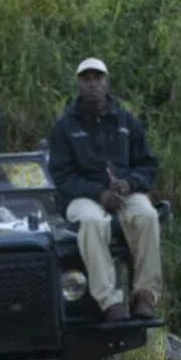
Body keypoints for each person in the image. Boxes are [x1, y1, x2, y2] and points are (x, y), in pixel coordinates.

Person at [46, 57, 163, 321]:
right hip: (83, 196)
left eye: (97, 78)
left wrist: (130, 183)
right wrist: (98, 193)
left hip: (125, 192)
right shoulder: (65, 127)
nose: (93, 84)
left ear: (106, 83)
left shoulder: (126, 121)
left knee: (147, 215)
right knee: (91, 222)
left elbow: (148, 164)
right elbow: (62, 177)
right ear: (79, 84)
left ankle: (145, 294)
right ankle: (110, 300)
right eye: (86, 79)